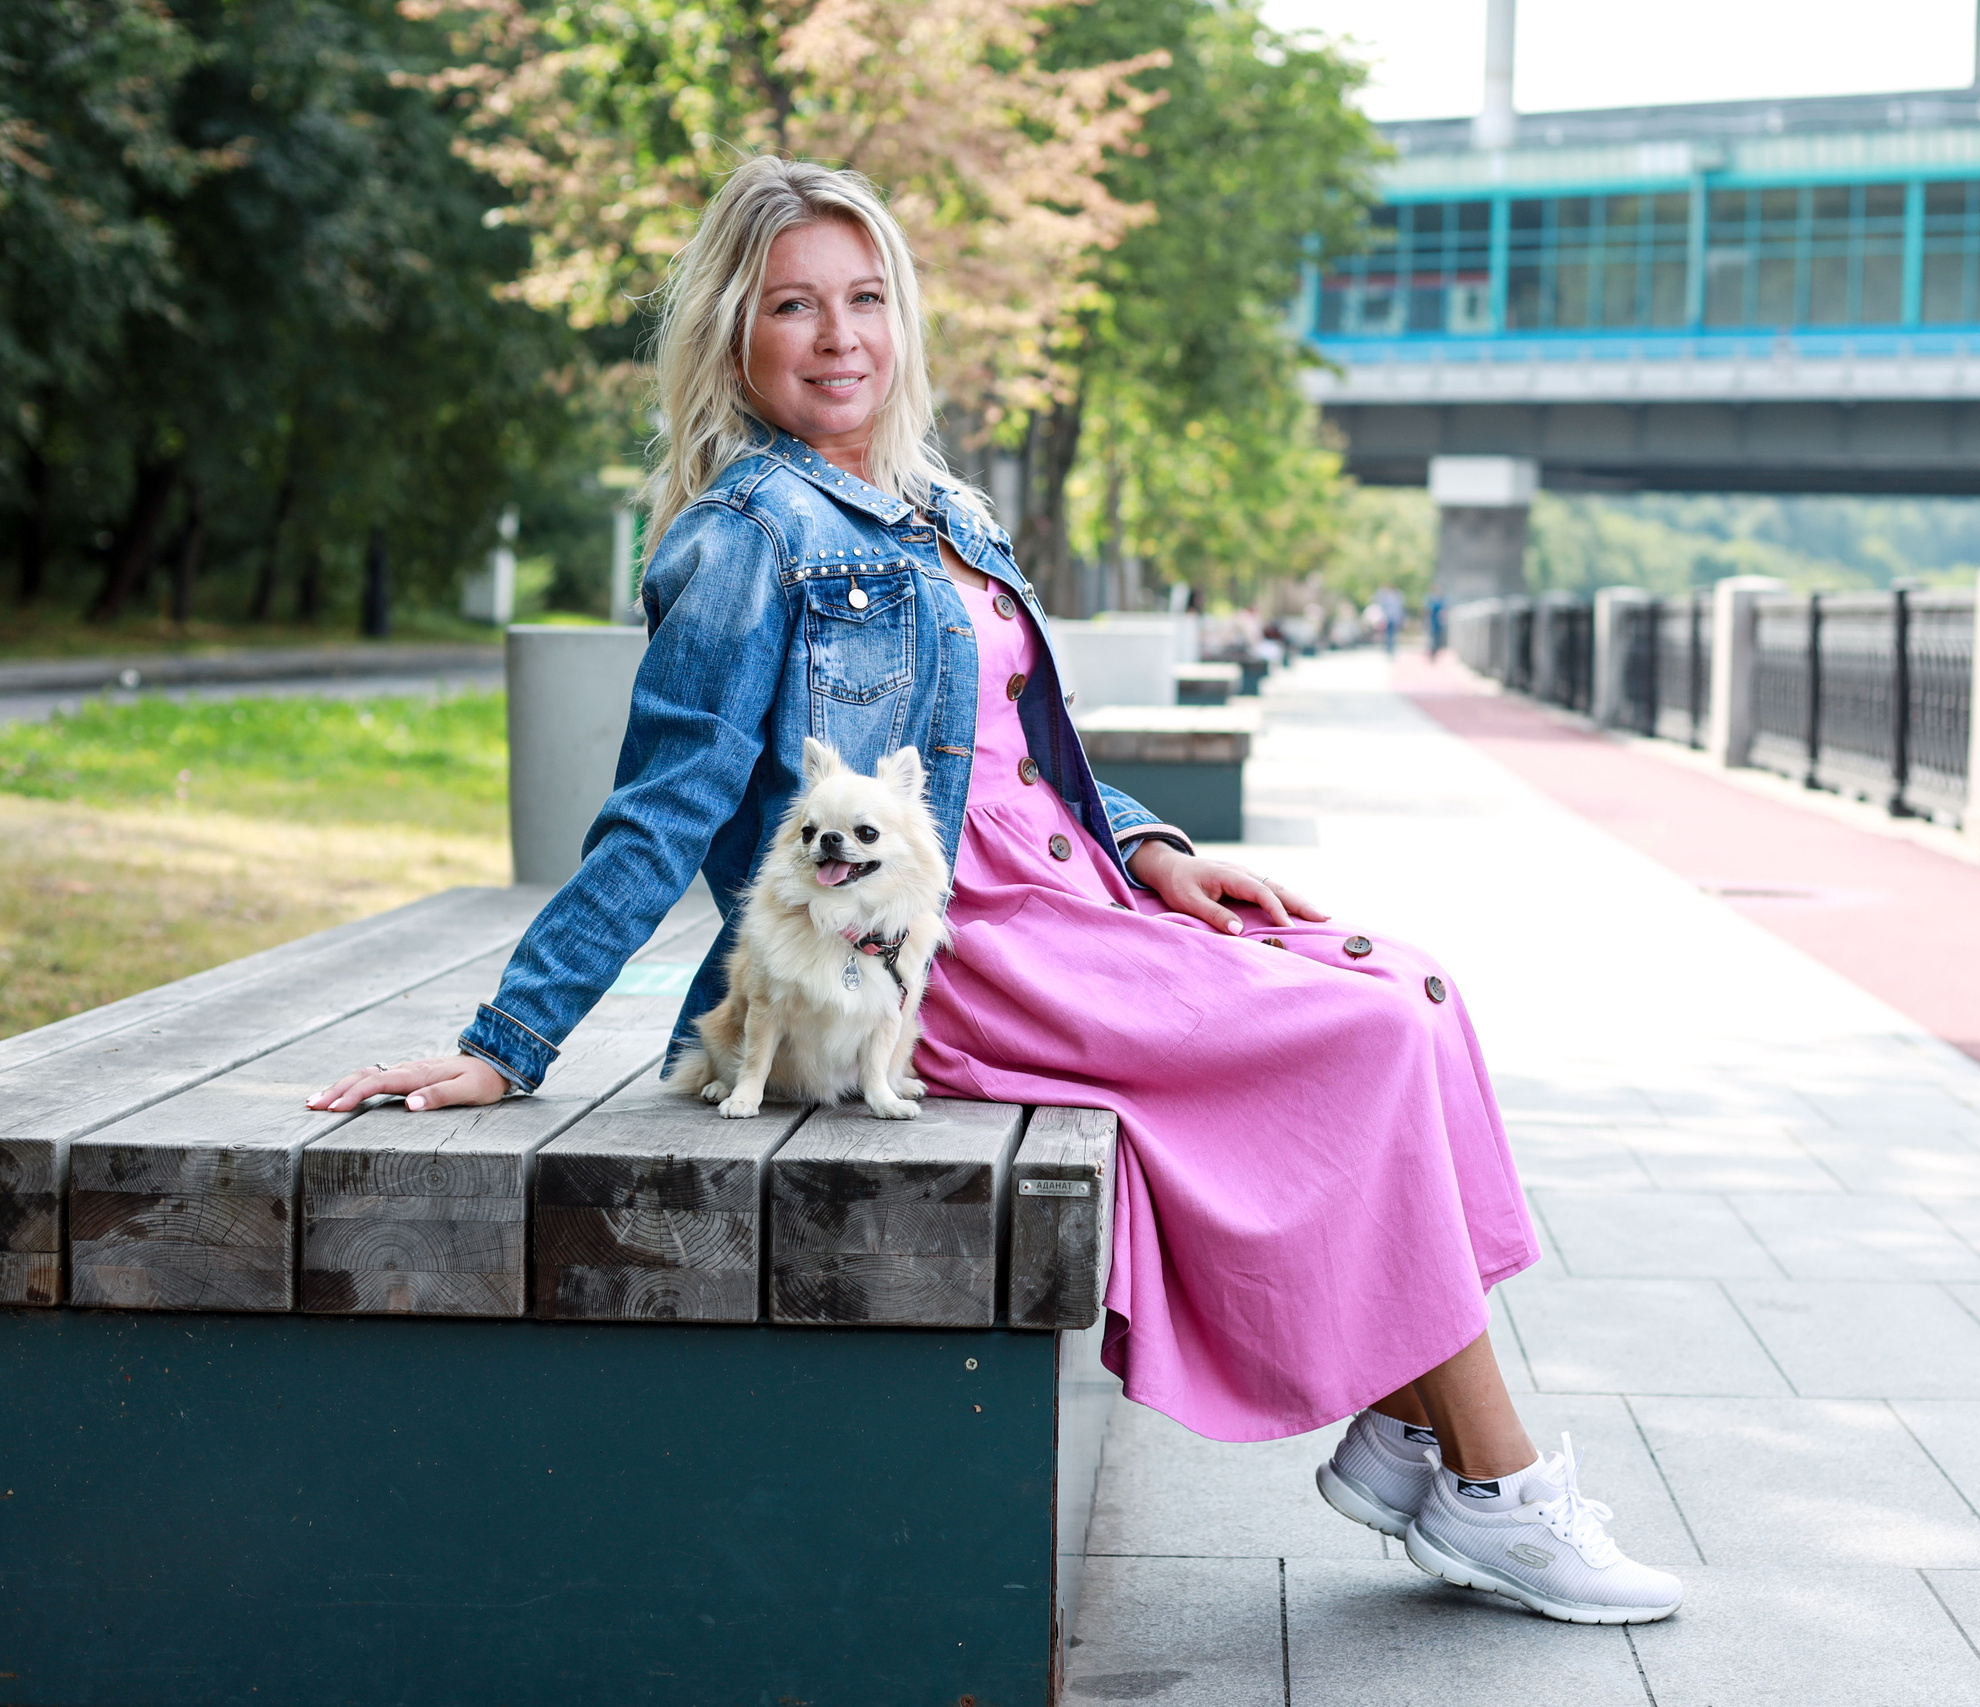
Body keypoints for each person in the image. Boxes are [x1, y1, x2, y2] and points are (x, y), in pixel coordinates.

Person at [306, 158, 1680, 1625]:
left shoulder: (942, 507)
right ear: (731, 331)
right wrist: (508, 1038)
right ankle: (1496, 1484)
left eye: (865, 297)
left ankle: (1421, 1444)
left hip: (1071, 896)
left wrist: (1151, 845)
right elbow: (663, 806)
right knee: (1366, 1035)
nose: (839, 336)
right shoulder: (741, 538)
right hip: (942, 960)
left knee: (1402, 981)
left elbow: (1031, 747)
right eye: (793, 306)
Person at [1376, 584, 1406, 655]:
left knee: (1392, 634)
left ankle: (1391, 648)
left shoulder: (1397, 597)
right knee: (1386, 634)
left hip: (1393, 619)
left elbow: (1399, 609)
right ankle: (1388, 647)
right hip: (1387, 619)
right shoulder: (1385, 597)